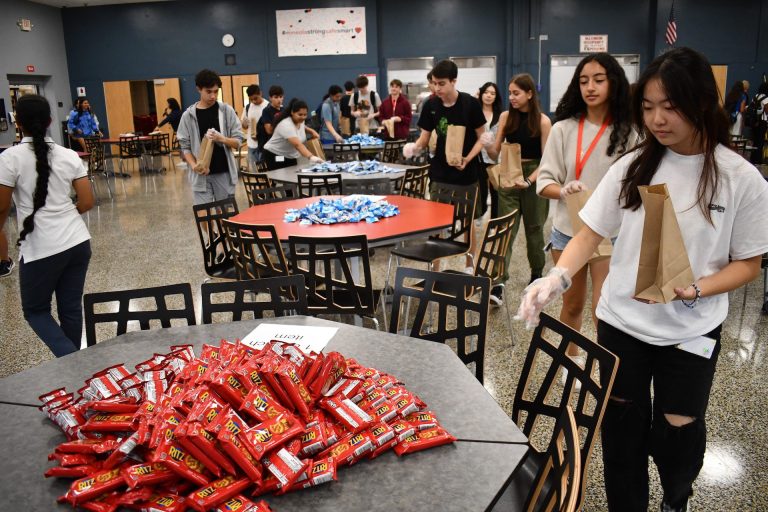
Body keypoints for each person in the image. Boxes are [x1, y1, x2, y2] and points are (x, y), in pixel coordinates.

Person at [516, 46, 768, 512]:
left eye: (670, 107)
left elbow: (749, 263)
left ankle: (676, 499)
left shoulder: (741, 179)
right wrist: (556, 278)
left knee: (678, 432)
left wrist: (696, 289)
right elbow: (589, 234)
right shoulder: (633, 166)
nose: (657, 119)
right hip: (621, 324)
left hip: (691, 330)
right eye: (648, 107)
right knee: (621, 431)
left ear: (700, 104)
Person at [536, 52, 634, 342]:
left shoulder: (630, 131)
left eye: (598, 80)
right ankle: (571, 365)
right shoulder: (562, 129)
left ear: (613, 83)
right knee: (572, 305)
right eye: (583, 81)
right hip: (568, 231)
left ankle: (604, 374)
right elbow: (543, 182)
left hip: (611, 235)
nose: (590, 87)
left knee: (602, 309)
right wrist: (562, 189)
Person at [0, 94, 95, 356]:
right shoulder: (69, 155)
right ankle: (75, 368)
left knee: (36, 310)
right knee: (71, 308)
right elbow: (86, 201)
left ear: (18, 123)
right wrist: (63, 214)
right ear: (51, 121)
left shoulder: (10, 158)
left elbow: (1, 206)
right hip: (77, 242)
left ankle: (72, 362)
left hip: (41, 248)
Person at [404, 59, 487, 273]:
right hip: (440, 173)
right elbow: (424, 138)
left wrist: (467, 159)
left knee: (467, 223)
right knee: (437, 223)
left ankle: (469, 265)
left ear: (453, 81)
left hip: (467, 173)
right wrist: (413, 148)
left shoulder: (470, 104)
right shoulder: (431, 106)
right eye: (434, 83)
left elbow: (482, 137)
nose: (437, 88)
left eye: (441, 83)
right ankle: (435, 268)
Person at [486, 74, 552, 304]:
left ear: (530, 94)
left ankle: (536, 274)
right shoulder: (505, 117)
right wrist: (487, 144)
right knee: (505, 230)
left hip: (534, 177)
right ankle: (498, 283)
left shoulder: (543, 121)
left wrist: (530, 181)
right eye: (511, 93)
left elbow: (547, 160)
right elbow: (495, 152)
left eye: (517, 93)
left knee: (535, 229)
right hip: (509, 174)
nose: (512, 97)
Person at [176, 69, 244, 205]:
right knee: (204, 214)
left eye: (216, 91)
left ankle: (222, 227)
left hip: (224, 172)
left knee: (225, 213)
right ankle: (210, 228)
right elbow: (185, 147)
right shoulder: (188, 115)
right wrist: (194, 165)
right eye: (209, 91)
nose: (213, 96)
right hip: (200, 175)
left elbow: (238, 142)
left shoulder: (226, 111)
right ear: (199, 89)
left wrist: (222, 139)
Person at [263, 99, 323, 170]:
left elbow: (302, 127)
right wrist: (311, 157)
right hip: (275, 154)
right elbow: (297, 145)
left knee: (293, 176)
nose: (303, 117)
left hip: (290, 155)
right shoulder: (286, 124)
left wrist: (311, 131)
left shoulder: (300, 121)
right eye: (300, 114)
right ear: (292, 112)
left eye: (305, 115)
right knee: (280, 177)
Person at [477, 81, 503, 221]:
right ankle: (480, 214)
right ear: (481, 94)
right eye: (486, 92)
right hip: (478, 157)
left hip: (494, 157)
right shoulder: (475, 111)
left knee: (496, 192)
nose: (489, 96)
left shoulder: (500, 115)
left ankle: (495, 221)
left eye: (492, 93)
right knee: (480, 190)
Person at [240, 85, 268, 168]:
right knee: (255, 173)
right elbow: (244, 127)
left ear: (260, 93)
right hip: (251, 145)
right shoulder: (248, 107)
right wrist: (244, 124)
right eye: (251, 99)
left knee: (266, 172)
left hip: (265, 145)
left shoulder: (268, 106)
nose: (253, 101)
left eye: (255, 98)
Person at [256, 85, 285, 152]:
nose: (279, 100)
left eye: (281, 97)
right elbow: (269, 131)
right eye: (276, 97)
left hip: (283, 145)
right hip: (272, 147)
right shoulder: (266, 111)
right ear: (270, 98)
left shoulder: (284, 110)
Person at [750, 81, 768, 165]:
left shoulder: (755, 96)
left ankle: (752, 159)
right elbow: (767, 110)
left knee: (755, 141)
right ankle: (758, 160)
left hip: (754, 122)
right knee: (760, 141)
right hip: (762, 122)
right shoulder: (766, 98)